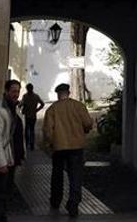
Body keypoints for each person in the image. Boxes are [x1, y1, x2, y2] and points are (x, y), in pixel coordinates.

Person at [43, 83, 94, 217]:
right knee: (76, 175)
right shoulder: (78, 106)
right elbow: (88, 123)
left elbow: (48, 131)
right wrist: (85, 131)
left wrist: (50, 143)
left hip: (59, 147)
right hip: (76, 147)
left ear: (58, 94)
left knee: (57, 176)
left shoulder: (52, 109)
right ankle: (73, 203)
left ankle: (55, 200)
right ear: (68, 92)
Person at [0, 79, 24, 222]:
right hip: (2, 161)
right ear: (6, 91)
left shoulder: (13, 107)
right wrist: (1, 163)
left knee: (6, 194)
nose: (16, 94)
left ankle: (1, 218)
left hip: (10, 159)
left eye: (18, 91)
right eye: (13, 91)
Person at [21, 83, 45, 151]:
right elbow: (42, 104)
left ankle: (26, 143)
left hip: (27, 115)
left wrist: (20, 106)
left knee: (27, 130)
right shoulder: (36, 96)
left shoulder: (25, 96)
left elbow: (22, 103)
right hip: (33, 115)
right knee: (32, 130)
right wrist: (37, 110)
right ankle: (32, 145)